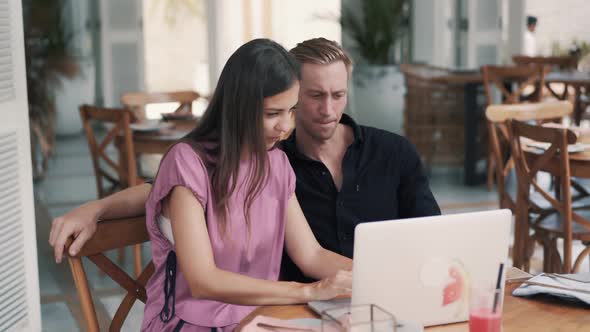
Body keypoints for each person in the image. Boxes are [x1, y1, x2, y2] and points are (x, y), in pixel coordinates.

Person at [49, 38, 440, 281]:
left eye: (338, 95)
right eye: (313, 96)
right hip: (237, 313)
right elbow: (171, 190)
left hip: (290, 309)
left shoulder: (277, 162)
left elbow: (312, 255)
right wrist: (97, 208)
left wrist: (388, 280)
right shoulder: (260, 155)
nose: (326, 109)